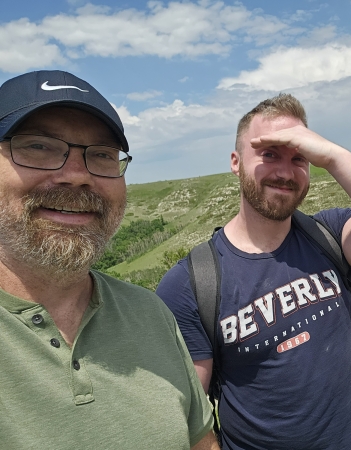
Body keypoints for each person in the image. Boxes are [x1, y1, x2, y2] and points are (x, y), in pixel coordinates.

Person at [157, 93, 351, 450]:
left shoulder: (330, 235)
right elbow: (190, 418)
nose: (286, 172)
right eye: (269, 154)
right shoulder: (191, 283)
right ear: (236, 162)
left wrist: (335, 157)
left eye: (299, 157)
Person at [0, 70, 218, 450]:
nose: (77, 175)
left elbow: (201, 441)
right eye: (37, 146)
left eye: (101, 155)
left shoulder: (149, 311)